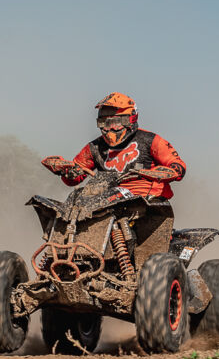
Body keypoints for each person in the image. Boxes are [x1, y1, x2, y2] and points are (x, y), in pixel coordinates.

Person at [41, 92, 187, 254]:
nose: (109, 128)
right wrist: (67, 171)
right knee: (73, 204)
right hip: (105, 201)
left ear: (130, 119)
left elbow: (178, 167)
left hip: (145, 202)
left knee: (147, 244)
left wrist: (156, 173)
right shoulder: (95, 147)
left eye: (115, 123)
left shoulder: (151, 140)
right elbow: (75, 176)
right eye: (103, 123)